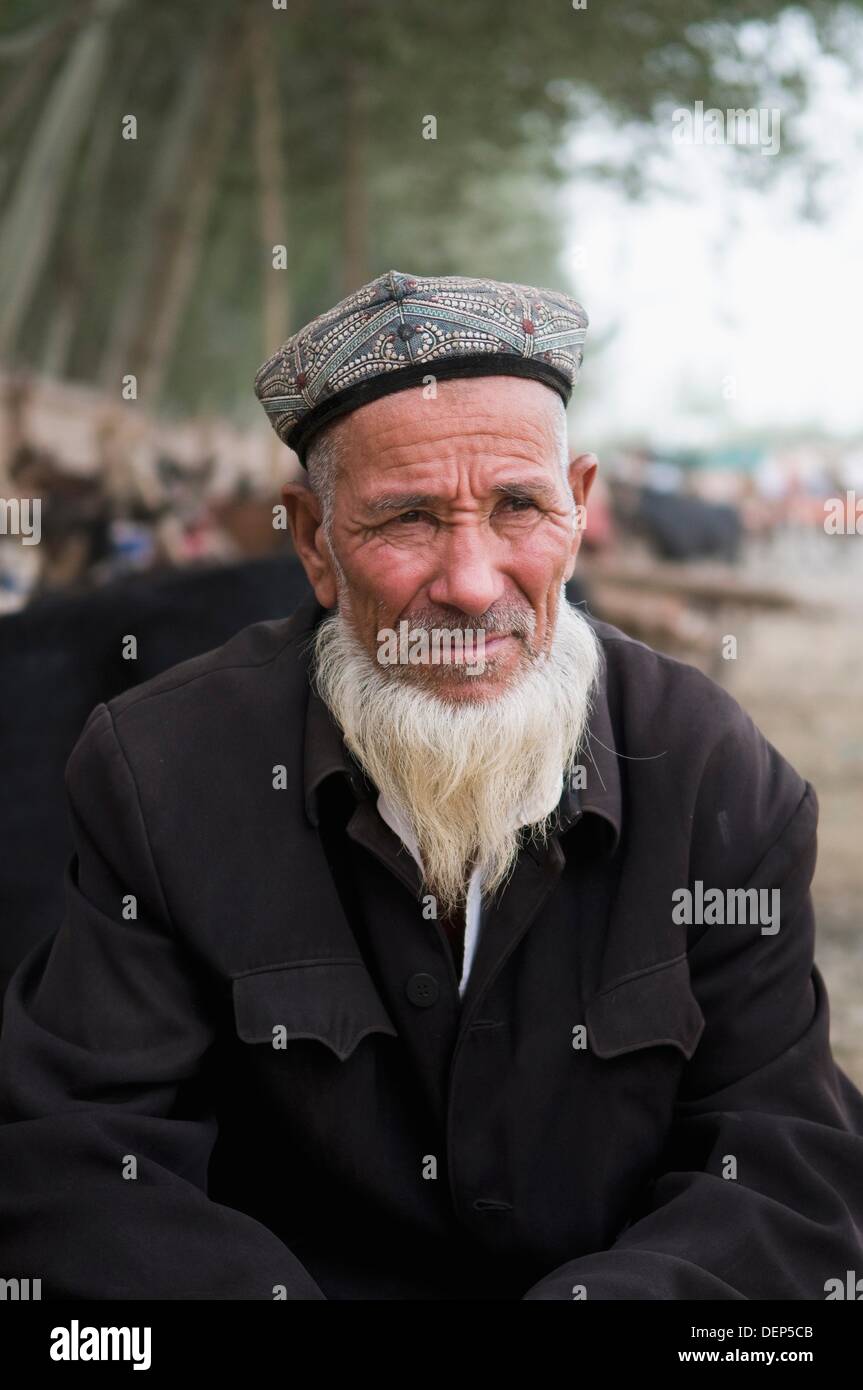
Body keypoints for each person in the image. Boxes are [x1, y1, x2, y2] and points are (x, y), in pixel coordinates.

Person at [1, 270, 861, 1300]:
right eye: (407, 518)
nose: (468, 581)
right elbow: (86, 1155)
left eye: (517, 507)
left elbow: (781, 1157)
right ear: (314, 543)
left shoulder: (713, 770)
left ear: (579, 508)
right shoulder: (160, 769)